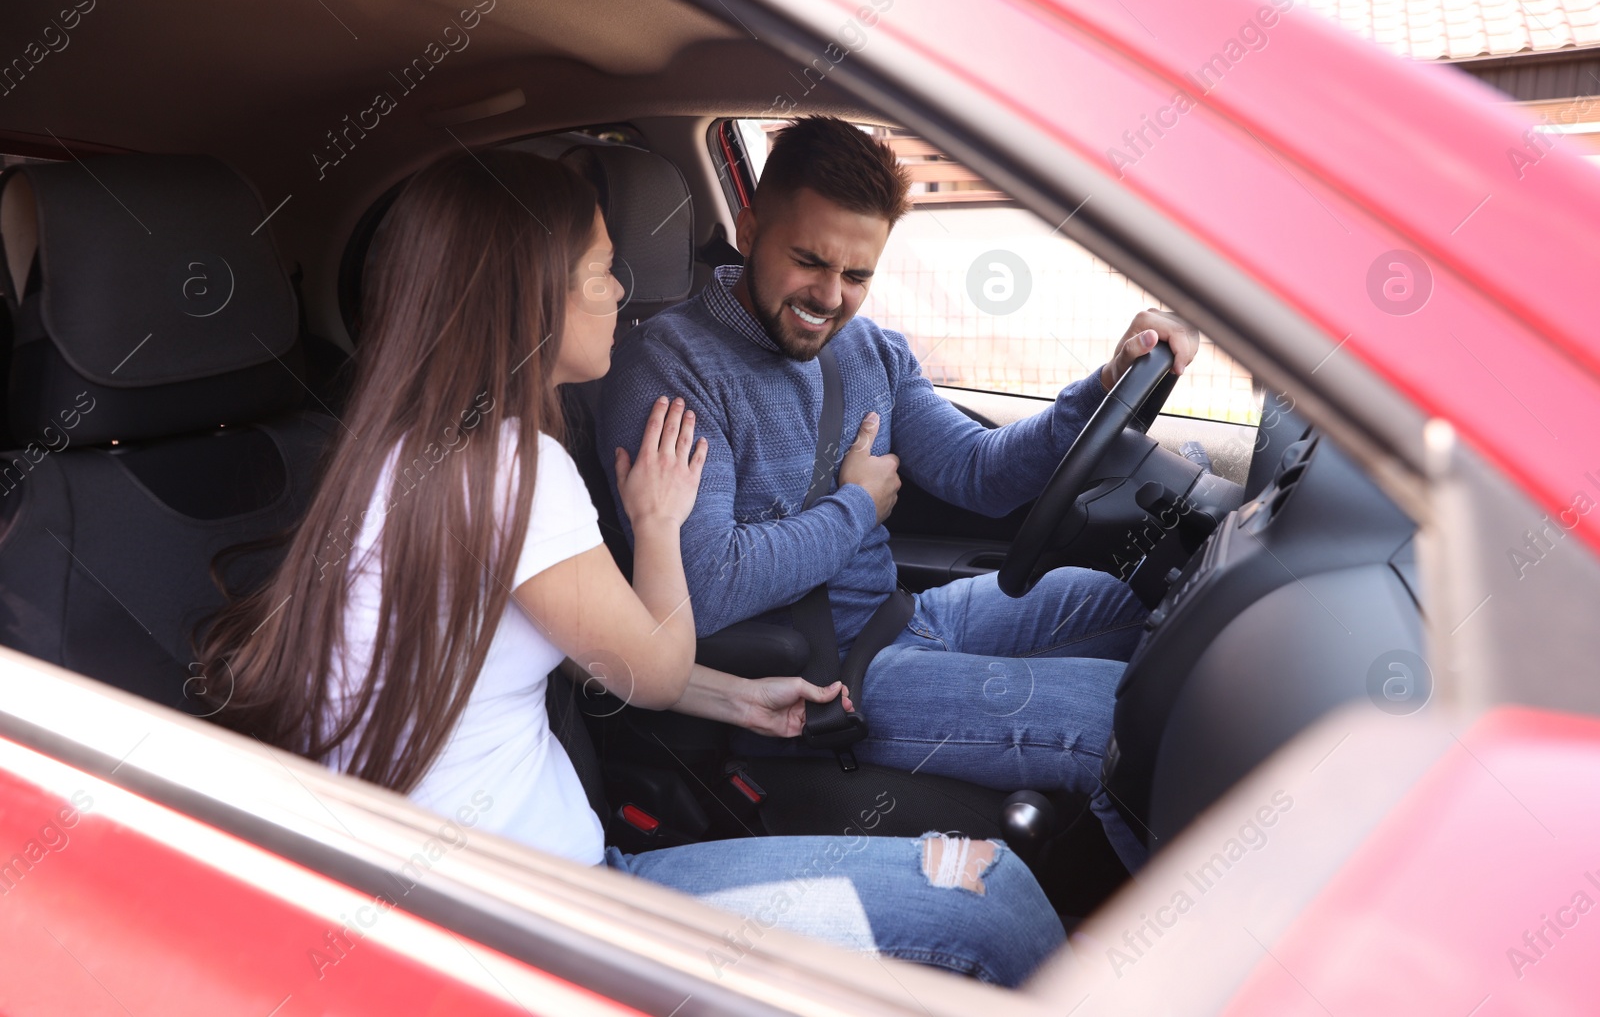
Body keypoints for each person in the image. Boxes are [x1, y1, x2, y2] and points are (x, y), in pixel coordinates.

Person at [196, 149, 1065, 988]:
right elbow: (646, 670)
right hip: (544, 919)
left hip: (500, 894)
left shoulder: (404, 449)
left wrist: (731, 696)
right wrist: (658, 525)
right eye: (600, 270)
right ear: (526, 297)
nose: (623, 290)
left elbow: (577, 643)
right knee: (991, 897)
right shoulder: (511, 469)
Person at [598, 117, 1197, 869]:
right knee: (1121, 724)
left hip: (901, 615)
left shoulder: (867, 349)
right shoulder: (671, 374)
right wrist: (854, 510)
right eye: (809, 262)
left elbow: (980, 473)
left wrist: (1103, 386)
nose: (830, 296)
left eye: (857, 275)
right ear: (750, 230)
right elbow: (705, 587)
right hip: (828, 675)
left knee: (1113, 605)